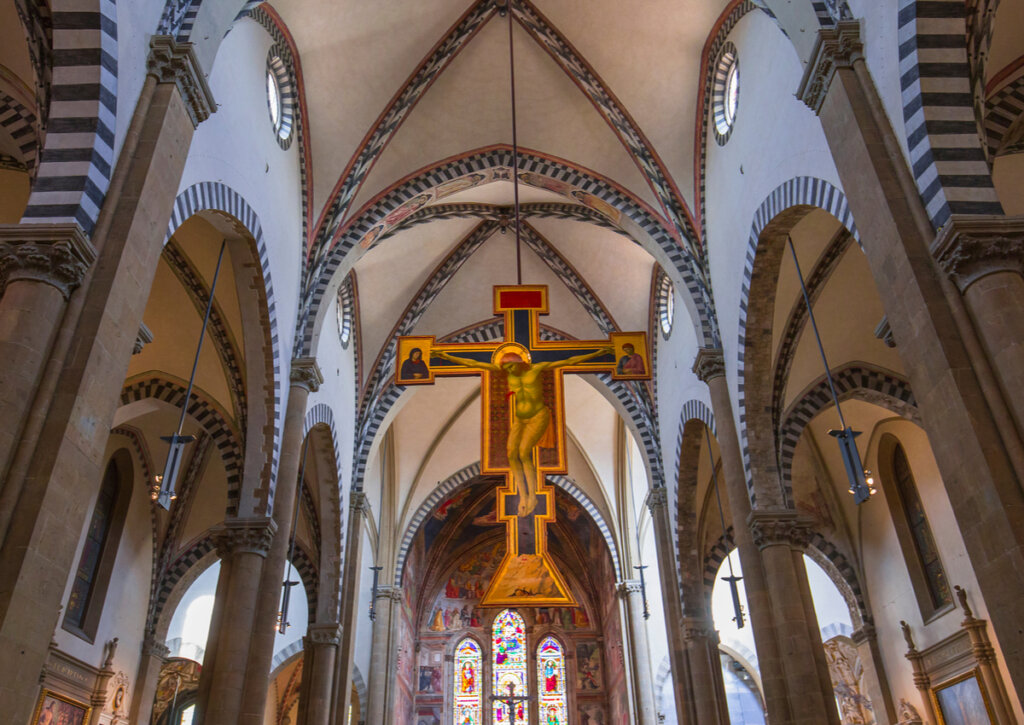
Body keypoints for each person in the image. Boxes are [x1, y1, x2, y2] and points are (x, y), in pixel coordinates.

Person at [432, 345, 612, 515]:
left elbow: (570, 361)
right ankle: (522, 495)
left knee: (524, 453)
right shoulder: (509, 374)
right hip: (519, 418)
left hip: (537, 417)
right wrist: (445, 355)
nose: (508, 370)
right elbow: (474, 363)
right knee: (511, 455)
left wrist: (597, 354)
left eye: (510, 366)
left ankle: (532, 497)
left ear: (521, 363)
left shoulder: (536, 369)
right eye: (505, 367)